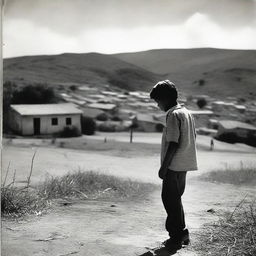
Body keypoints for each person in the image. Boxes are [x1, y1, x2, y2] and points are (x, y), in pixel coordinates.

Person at [149, 80, 198, 251]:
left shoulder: (172, 115)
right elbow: (193, 137)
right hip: (184, 164)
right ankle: (182, 233)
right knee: (176, 199)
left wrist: (164, 167)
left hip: (173, 165)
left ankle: (175, 237)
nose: (158, 105)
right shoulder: (186, 112)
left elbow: (173, 143)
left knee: (169, 200)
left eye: (158, 101)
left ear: (166, 98)